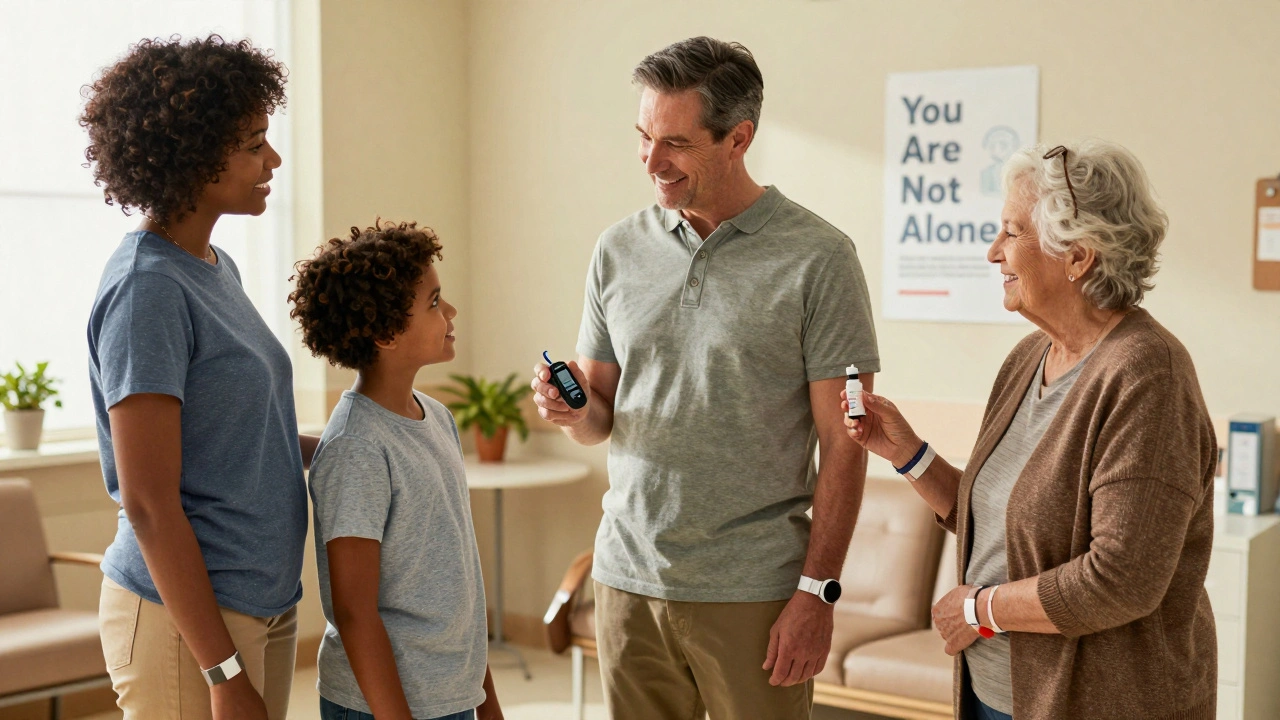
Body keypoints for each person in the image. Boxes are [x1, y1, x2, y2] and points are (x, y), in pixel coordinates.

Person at [531, 36, 879, 719]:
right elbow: (601, 415)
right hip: (626, 579)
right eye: (643, 136)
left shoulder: (820, 259)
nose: (652, 161)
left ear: (737, 138)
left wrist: (817, 593)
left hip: (752, 590)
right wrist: (575, 412)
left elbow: (845, 442)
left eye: (677, 144)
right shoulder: (618, 249)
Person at [844, 140, 1217, 720]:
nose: (994, 252)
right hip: (995, 693)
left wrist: (978, 610)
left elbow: (1121, 579)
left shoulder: (1148, 375)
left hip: (1102, 700)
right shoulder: (1028, 358)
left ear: (1078, 256)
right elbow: (1003, 523)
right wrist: (909, 455)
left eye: (1012, 232)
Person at [83, 35, 316, 720]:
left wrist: (359, 444)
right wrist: (222, 671)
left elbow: (237, 440)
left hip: (262, 599)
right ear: (190, 155)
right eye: (253, 144)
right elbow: (149, 501)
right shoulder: (147, 290)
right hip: (186, 622)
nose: (272, 160)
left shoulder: (213, 268)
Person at [289, 220, 503, 720]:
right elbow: (354, 612)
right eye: (433, 302)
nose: (449, 311)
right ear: (386, 332)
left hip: (450, 694)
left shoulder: (438, 418)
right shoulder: (356, 448)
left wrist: (486, 702)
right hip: (381, 707)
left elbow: (460, 582)